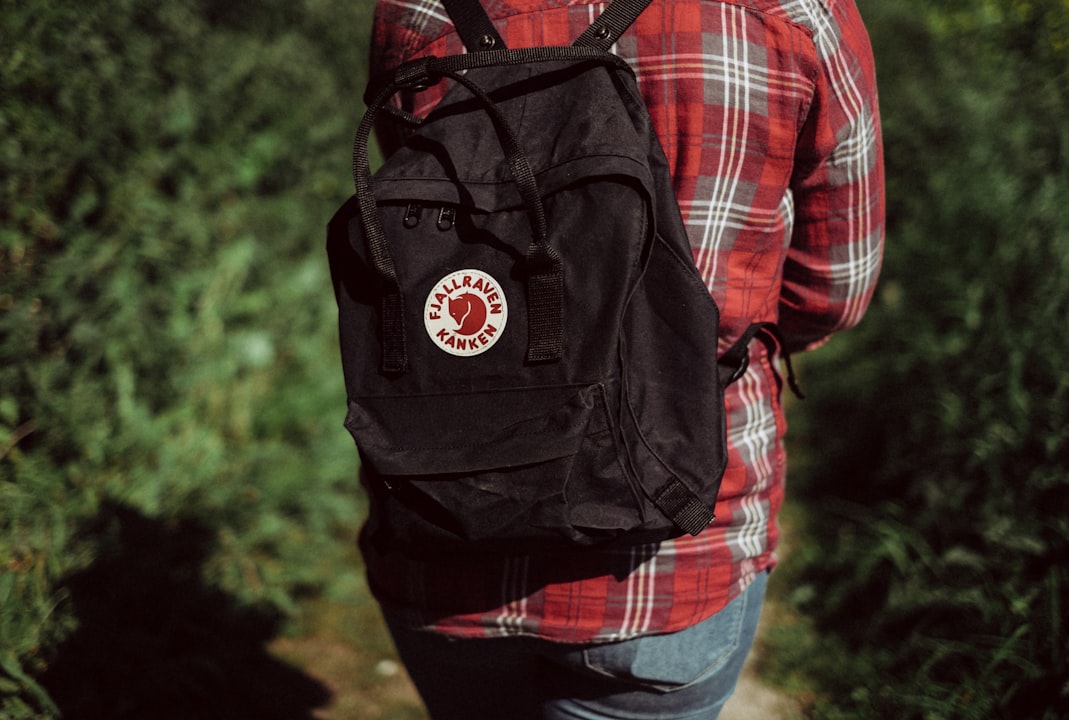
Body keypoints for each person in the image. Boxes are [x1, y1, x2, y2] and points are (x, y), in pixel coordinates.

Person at [361, 0, 885, 717]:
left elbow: (423, 237)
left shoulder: (420, 9)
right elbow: (834, 289)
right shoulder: (797, 12)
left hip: (446, 525)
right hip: (669, 554)